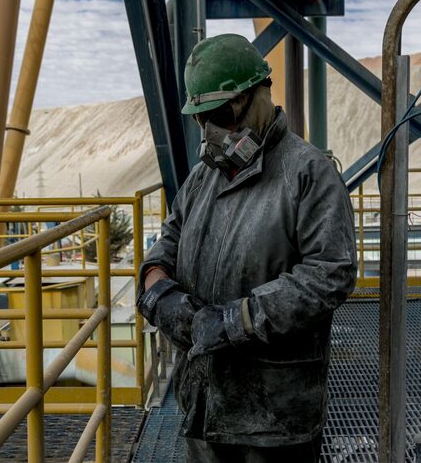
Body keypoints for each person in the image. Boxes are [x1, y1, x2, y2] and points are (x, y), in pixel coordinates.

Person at [137, 33, 357, 462]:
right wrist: (158, 287)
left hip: (272, 418)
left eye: (221, 114)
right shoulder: (205, 177)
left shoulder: (307, 173)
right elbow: (168, 239)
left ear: (258, 96)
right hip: (203, 403)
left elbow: (331, 272)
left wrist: (237, 320)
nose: (212, 131)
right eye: (203, 120)